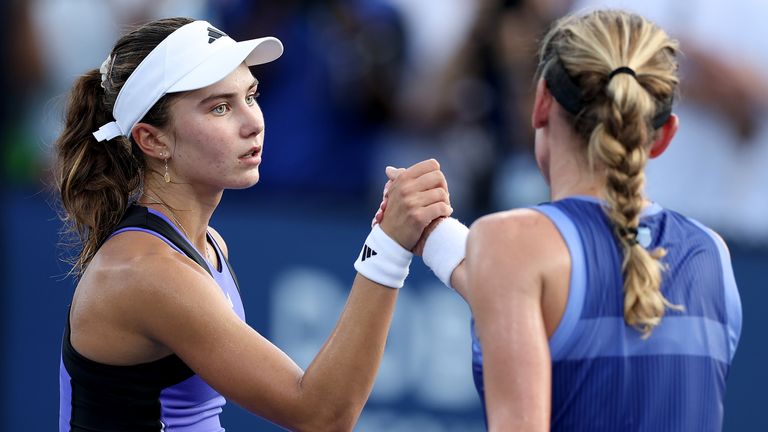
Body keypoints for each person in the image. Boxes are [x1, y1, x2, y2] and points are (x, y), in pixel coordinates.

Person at [53, 17, 452, 431]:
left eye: (251, 95)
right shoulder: (146, 272)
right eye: (220, 107)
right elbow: (322, 414)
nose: (254, 122)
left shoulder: (207, 245)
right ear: (153, 140)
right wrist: (386, 248)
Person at [403, 8, 742, 431]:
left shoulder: (509, 244)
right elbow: (551, 304)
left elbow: (531, 288)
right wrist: (434, 234)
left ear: (542, 102)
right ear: (665, 136)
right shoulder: (712, 255)